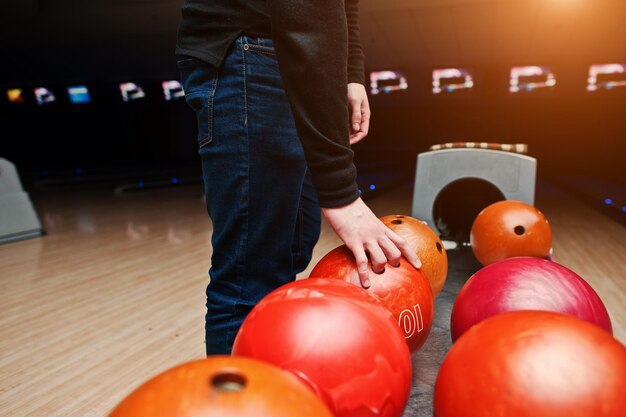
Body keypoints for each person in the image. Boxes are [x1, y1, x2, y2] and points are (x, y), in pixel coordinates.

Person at [175, 0, 421, 355]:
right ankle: (243, 404)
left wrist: (351, 73)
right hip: (247, 51)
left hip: (278, 52)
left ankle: (273, 372)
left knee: (294, 241)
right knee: (249, 274)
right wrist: (342, 194)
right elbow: (309, 13)